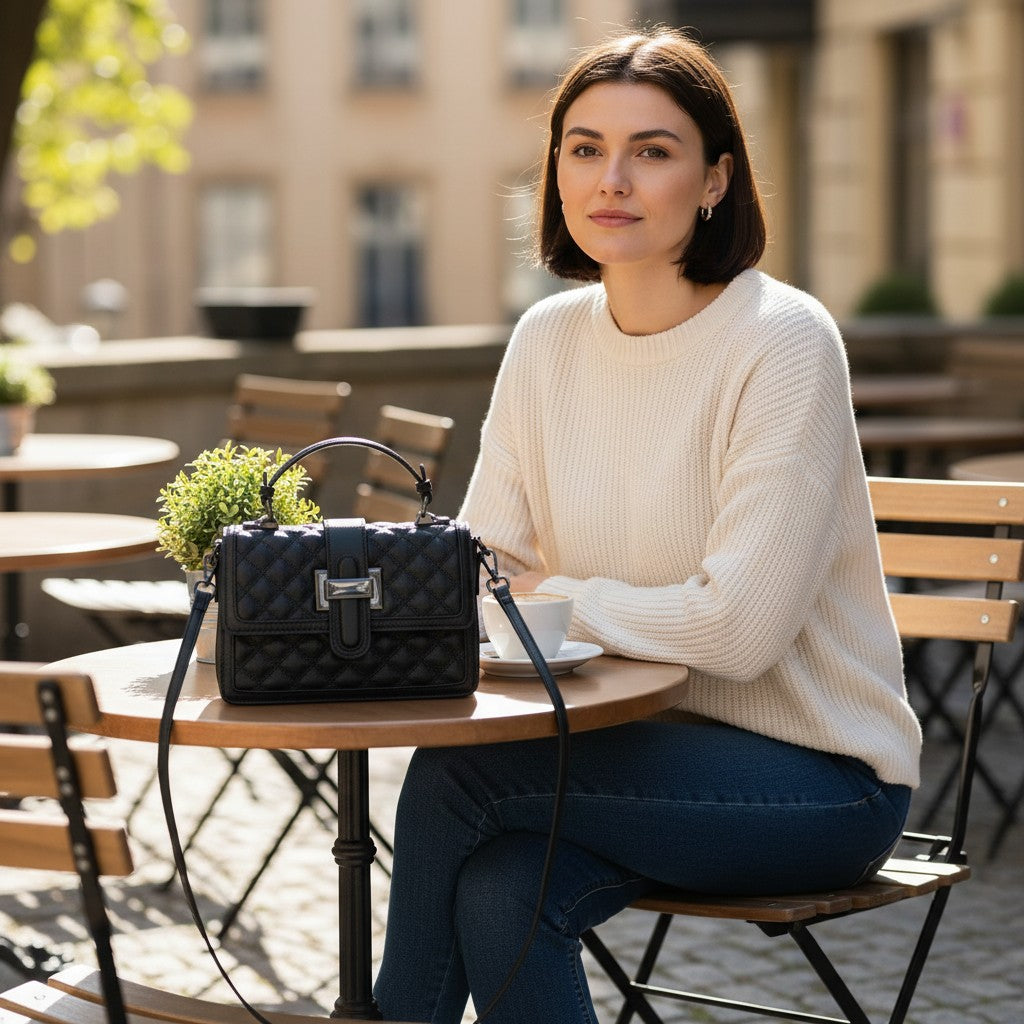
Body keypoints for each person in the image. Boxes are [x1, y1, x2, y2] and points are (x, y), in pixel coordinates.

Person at [373, 27, 922, 1024]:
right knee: (502, 887)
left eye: (652, 150)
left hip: (821, 778)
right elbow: (488, 566)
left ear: (714, 179)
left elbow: (738, 630)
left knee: (459, 772)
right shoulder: (547, 341)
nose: (610, 179)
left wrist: (552, 600)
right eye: (583, 148)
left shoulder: (780, 340)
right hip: (628, 749)